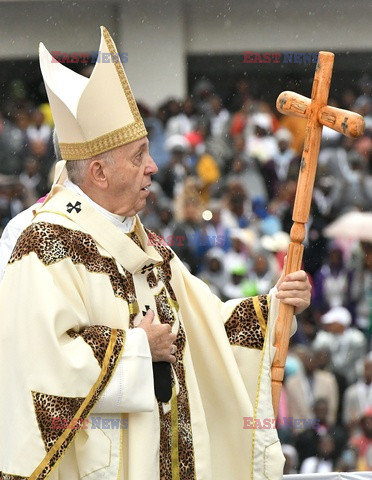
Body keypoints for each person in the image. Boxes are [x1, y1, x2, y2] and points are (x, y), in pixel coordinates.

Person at [0, 27, 311, 480]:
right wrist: (134, 349)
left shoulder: (150, 250)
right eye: (139, 155)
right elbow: (35, 371)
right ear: (100, 172)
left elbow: (207, 335)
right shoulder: (43, 246)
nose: (154, 166)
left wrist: (274, 307)